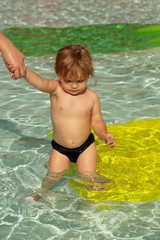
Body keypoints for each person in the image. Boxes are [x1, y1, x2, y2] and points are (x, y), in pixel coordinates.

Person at [9, 45, 115, 200]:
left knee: (87, 175)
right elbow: (40, 82)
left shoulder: (91, 97)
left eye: (80, 80)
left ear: (88, 75)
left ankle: (104, 189)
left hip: (86, 146)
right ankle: (41, 194)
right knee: (52, 176)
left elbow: (97, 120)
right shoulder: (56, 89)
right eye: (68, 80)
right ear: (59, 74)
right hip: (60, 149)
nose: (74, 85)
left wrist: (104, 134)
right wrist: (25, 73)